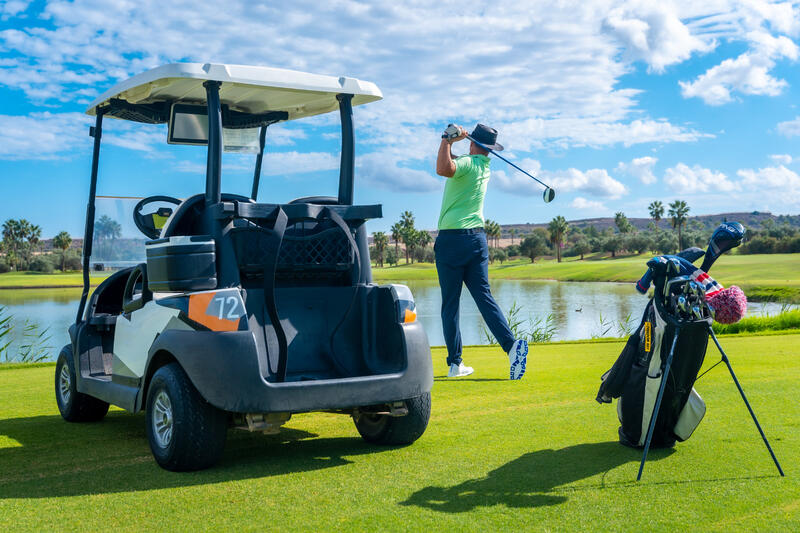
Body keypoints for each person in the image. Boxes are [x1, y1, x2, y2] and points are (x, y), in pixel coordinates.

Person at [434, 123, 528, 379]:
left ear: (474, 144)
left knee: (450, 304)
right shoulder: (483, 167)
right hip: (477, 239)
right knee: (484, 297)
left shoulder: (466, 164)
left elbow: (443, 168)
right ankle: (511, 348)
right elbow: (455, 161)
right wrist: (453, 144)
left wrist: (446, 140)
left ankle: (455, 364)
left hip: (452, 241)